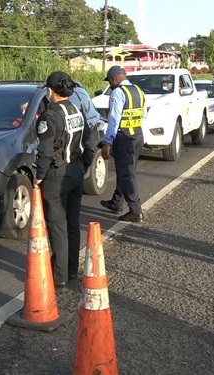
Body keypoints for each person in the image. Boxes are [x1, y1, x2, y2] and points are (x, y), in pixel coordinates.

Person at [35, 71, 96, 288]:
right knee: (72, 225)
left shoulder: (50, 116)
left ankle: (59, 276)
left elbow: (45, 150)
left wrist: (39, 176)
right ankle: (71, 272)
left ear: (51, 91)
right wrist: (84, 166)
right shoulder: (77, 111)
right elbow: (90, 140)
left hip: (56, 177)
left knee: (57, 227)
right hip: (76, 172)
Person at [99, 66, 146, 222]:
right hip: (138, 135)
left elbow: (114, 119)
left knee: (126, 174)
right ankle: (117, 202)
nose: (110, 84)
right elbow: (144, 114)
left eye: (110, 81)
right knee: (127, 171)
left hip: (124, 137)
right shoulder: (138, 90)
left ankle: (135, 210)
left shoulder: (117, 92)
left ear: (114, 79)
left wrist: (107, 141)